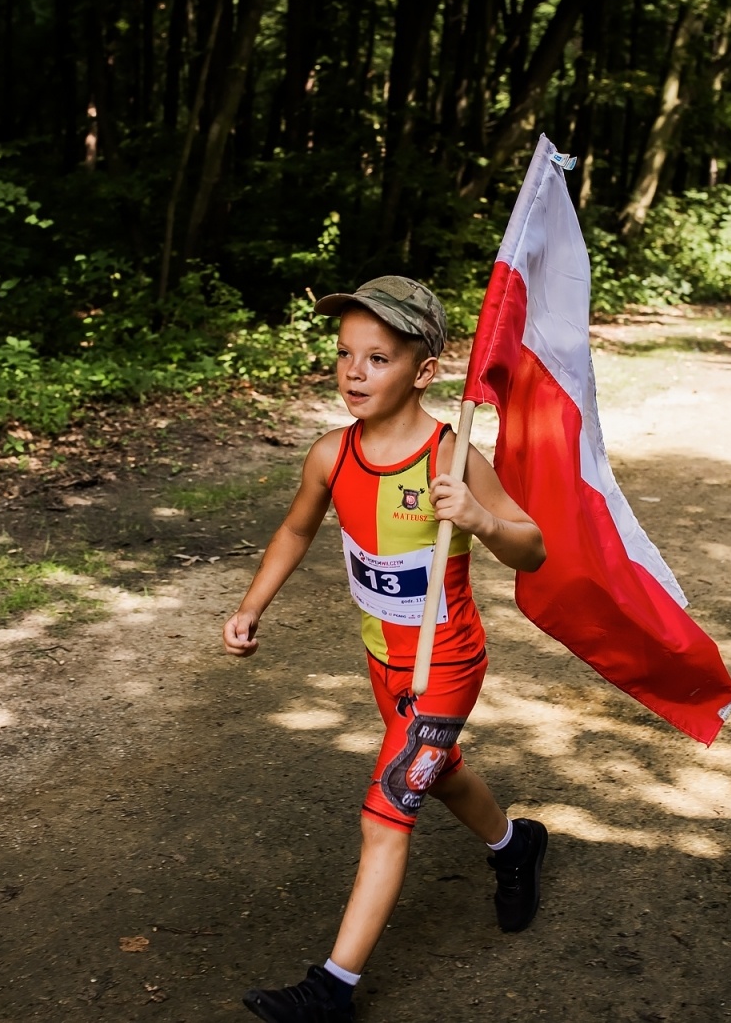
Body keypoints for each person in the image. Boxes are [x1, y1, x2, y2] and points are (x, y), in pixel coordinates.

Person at [225, 276, 549, 1023]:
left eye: (378, 358)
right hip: (383, 662)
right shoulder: (332, 453)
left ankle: (332, 989)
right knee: (435, 776)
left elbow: (530, 548)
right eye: (345, 355)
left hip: (447, 665)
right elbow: (299, 529)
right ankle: (514, 846)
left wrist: (480, 518)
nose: (353, 373)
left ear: (424, 369)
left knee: (385, 812)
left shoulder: (452, 455)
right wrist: (250, 606)